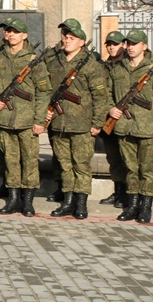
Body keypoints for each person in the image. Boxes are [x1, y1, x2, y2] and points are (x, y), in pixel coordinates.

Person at [45, 18, 110, 220]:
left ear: (81, 42)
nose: (66, 40)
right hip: (59, 123)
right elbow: (46, 90)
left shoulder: (91, 66)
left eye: (71, 38)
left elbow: (101, 97)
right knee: (64, 164)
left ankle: (80, 204)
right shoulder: (54, 62)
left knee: (80, 165)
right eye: (65, 37)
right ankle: (67, 201)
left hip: (82, 125)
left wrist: (97, 123)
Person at [0, 18, 51, 217]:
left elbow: (43, 92)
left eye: (16, 31)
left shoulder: (34, 61)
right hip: (5, 119)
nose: (11, 34)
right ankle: (13, 199)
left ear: (24, 35)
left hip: (27, 121)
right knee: (10, 161)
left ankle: (28, 201)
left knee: (30, 161)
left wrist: (40, 120)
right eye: (9, 31)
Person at [107, 29, 153, 223]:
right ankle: (132, 205)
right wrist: (111, 109)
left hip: (147, 129)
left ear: (144, 46)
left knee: (147, 170)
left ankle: (145, 207)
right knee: (130, 168)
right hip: (124, 127)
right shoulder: (118, 70)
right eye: (128, 43)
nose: (130, 47)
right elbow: (108, 95)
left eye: (135, 43)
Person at [98, 30, 130, 208]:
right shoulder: (103, 67)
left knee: (127, 158)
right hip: (107, 119)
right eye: (109, 44)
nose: (111, 47)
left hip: (125, 119)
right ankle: (118, 191)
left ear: (123, 46)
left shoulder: (128, 66)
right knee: (113, 158)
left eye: (115, 44)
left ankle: (127, 194)